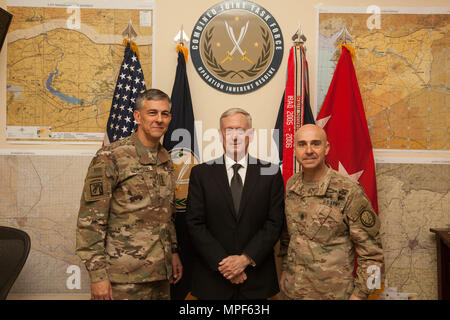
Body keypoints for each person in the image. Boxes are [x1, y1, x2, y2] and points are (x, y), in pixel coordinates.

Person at [76, 89, 182, 300]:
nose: (159, 119)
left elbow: (166, 214)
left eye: (165, 114)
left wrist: (173, 252)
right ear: (137, 116)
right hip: (123, 279)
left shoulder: (164, 158)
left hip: (160, 275)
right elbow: (90, 221)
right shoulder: (111, 156)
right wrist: (98, 276)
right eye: (152, 113)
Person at [186, 108, 284, 300]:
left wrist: (245, 260)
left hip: (257, 281)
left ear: (251, 134)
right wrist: (227, 266)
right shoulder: (201, 174)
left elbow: (275, 223)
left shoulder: (271, 173)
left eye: (240, 130)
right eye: (228, 130)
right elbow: (194, 224)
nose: (235, 136)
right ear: (220, 135)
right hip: (212, 280)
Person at [279, 124, 384, 300]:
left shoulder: (348, 190)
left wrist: (361, 295)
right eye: (302, 144)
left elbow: (373, 254)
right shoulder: (292, 186)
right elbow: (289, 238)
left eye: (316, 144)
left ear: (326, 148)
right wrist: (284, 270)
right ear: (295, 149)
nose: (309, 150)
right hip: (293, 292)